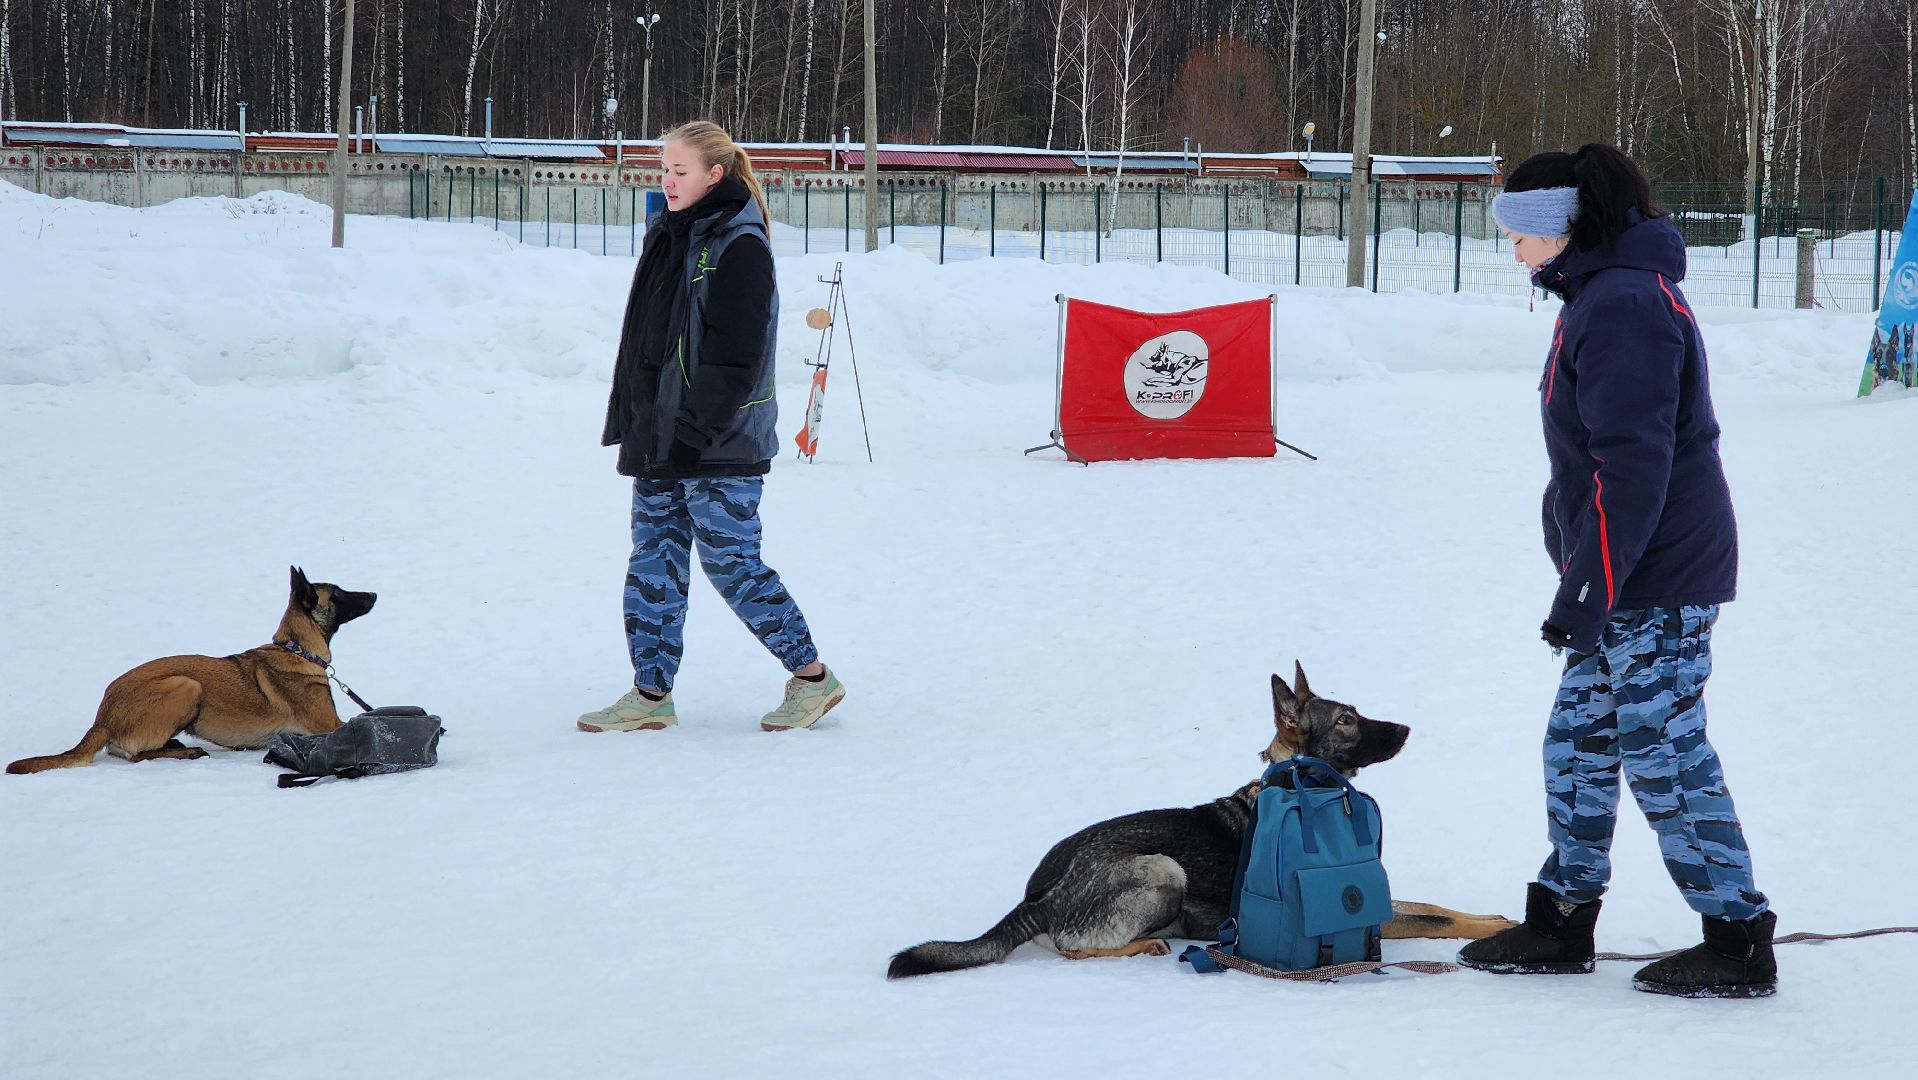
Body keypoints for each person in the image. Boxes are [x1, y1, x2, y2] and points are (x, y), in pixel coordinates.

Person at [1456, 144, 1776, 998]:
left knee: (1663, 748)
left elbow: (1629, 465)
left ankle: (1737, 935)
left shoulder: (1625, 304)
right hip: (1618, 572)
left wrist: (1589, 588)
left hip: (1654, 576)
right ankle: (1563, 919)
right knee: (1580, 741)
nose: (1513, 250)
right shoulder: (1601, 295)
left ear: (1562, 227)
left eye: (1519, 233)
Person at [577, 119, 845, 735]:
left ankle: (812, 679)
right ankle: (650, 695)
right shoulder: (670, 234)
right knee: (654, 562)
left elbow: (737, 357)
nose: (667, 181)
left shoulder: (739, 244)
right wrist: (639, 419)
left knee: (733, 566)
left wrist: (694, 431)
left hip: (718, 444)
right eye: (663, 170)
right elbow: (648, 338)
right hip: (660, 436)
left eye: (680, 171)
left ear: (713, 175)